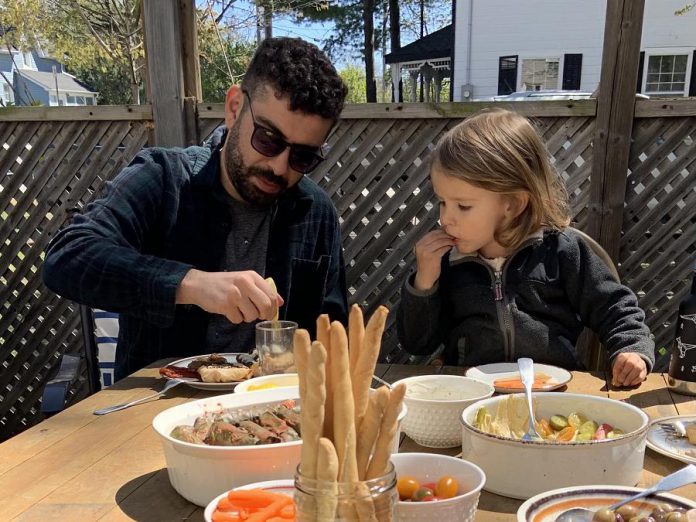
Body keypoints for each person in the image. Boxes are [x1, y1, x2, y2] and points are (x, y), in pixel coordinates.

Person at [42, 37, 349, 381]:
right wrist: (189, 284)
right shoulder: (164, 178)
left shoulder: (316, 212)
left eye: (303, 156)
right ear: (234, 109)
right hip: (156, 409)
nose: (279, 167)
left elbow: (334, 335)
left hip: (275, 412)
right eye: (268, 139)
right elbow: (66, 257)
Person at [396, 109, 654, 387]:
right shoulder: (448, 263)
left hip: (553, 396)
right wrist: (423, 285)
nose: (445, 218)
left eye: (463, 206)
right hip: (472, 396)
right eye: (442, 202)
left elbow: (613, 307)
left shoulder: (560, 250)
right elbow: (417, 344)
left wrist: (632, 349)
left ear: (514, 204)